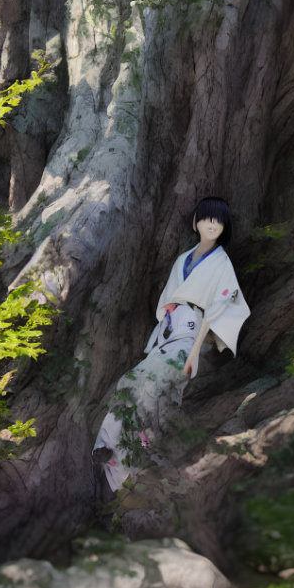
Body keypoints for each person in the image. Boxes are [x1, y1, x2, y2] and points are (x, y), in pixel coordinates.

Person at [92, 197, 250, 491]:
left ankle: (132, 463)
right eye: (205, 219)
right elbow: (168, 297)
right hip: (169, 333)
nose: (211, 224)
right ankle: (110, 451)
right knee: (130, 382)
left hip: (191, 340)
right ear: (195, 223)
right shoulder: (183, 260)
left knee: (152, 390)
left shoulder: (221, 264)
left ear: (224, 227)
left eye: (218, 221)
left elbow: (219, 310)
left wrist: (195, 351)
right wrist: (167, 311)